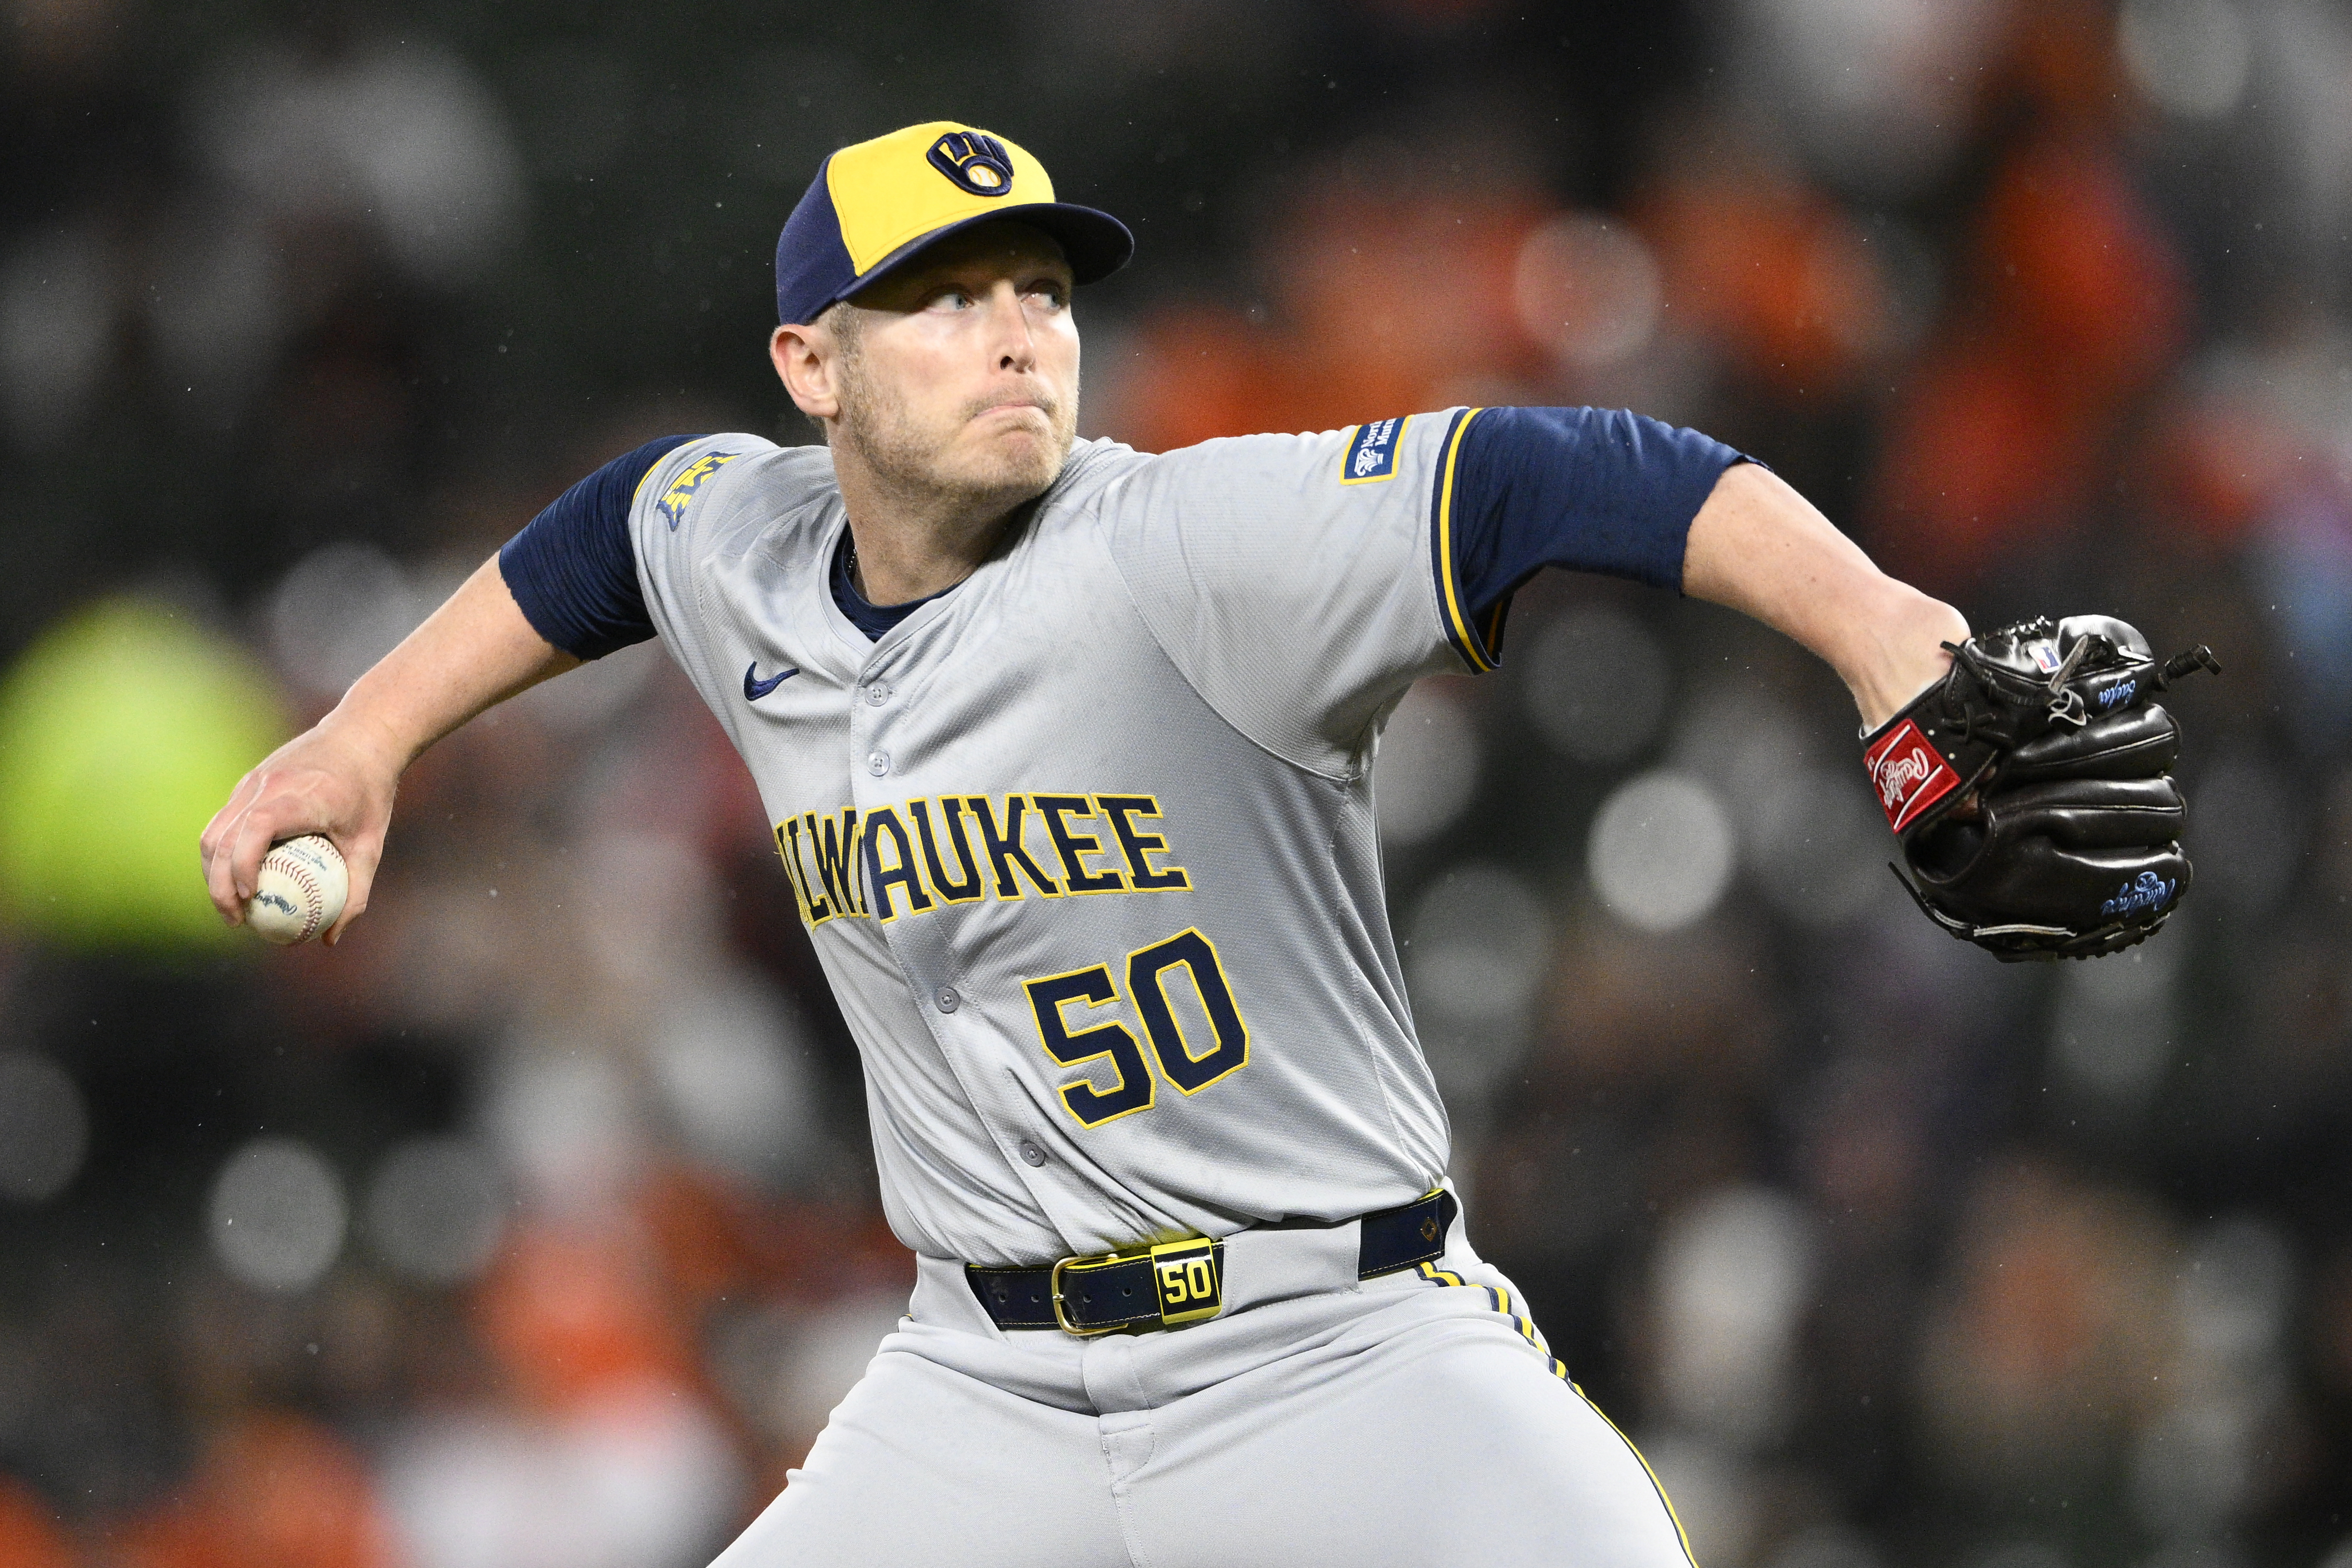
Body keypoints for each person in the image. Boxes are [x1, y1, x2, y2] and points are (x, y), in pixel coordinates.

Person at [201, 121, 1968, 1565]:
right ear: (810, 368)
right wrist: (370, 734)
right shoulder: (740, 541)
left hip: (1334, 1350)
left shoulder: (1192, 547)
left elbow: (1570, 471)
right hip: (985, 1390)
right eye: (944, 296)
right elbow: (608, 535)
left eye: (1038, 288)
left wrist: (1883, 628)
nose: (1017, 328)